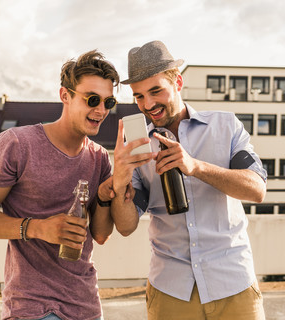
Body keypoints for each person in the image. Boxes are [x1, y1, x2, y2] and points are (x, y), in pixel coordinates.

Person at [0, 50, 144, 320]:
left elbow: (101, 235)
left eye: (108, 102)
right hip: (31, 307)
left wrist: (107, 196)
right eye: (92, 99)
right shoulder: (17, 144)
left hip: (86, 306)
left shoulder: (98, 159)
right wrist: (37, 227)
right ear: (65, 95)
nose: (101, 110)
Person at [111, 40, 268, 320]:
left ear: (178, 82)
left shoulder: (226, 126)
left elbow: (256, 189)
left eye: (155, 91)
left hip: (233, 283)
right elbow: (125, 226)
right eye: (138, 96)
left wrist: (195, 167)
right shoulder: (136, 146)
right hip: (170, 291)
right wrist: (119, 179)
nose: (148, 105)